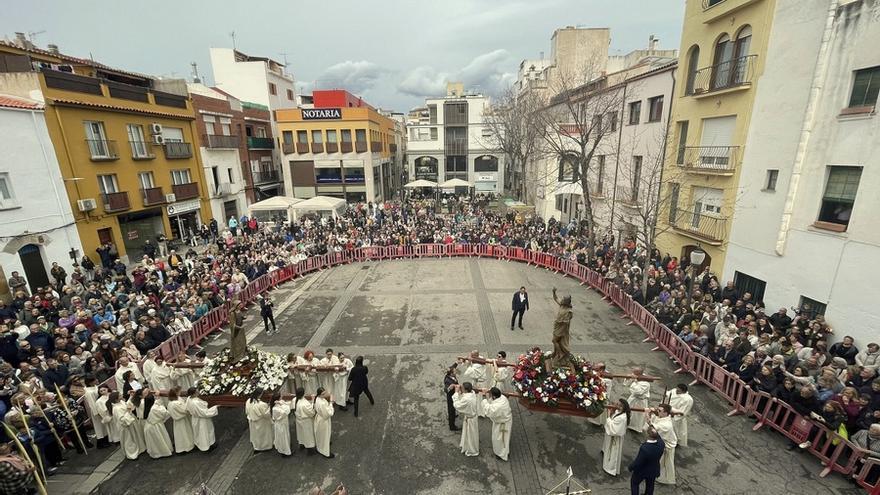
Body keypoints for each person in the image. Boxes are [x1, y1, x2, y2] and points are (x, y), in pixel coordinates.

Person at [644, 404, 677, 485]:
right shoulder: (663, 417)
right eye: (657, 409)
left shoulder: (666, 425)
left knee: (663, 464)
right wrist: (654, 413)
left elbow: (651, 430)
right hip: (660, 442)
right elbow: (656, 420)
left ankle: (662, 478)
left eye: (660, 410)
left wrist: (647, 415)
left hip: (666, 445)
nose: (657, 411)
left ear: (666, 413)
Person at [629, 428, 665, 495]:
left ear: (648, 435)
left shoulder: (645, 448)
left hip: (642, 471)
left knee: (634, 483)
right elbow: (658, 437)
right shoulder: (661, 443)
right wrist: (650, 424)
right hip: (653, 469)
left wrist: (631, 467)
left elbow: (638, 462)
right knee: (650, 485)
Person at [481, 387, 512, 461]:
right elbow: (493, 403)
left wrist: (484, 397)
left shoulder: (498, 406)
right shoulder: (502, 397)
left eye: (491, 395)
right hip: (506, 422)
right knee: (505, 439)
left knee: (499, 440)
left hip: (501, 424)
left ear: (494, 396)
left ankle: (500, 454)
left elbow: (488, 410)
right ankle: (505, 452)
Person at [603, 398, 631, 476]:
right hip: (612, 436)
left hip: (615, 437)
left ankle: (610, 469)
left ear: (623, 407)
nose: (616, 406)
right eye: (617, 404)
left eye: (618, 405)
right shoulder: (619, 412)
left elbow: (614, 429)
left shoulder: (622, 417)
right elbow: (615, 415)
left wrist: (609, 416)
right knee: (609, 451)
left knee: (612, 453)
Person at [143, 389, 173, 459]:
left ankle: (156, 453)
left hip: (149, 427)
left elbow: (156, 403)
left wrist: (157, 397)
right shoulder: (154, 408)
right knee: (160, 440)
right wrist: (159, 400)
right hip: (156, 427)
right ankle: (163, 452)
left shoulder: (147, 406)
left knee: (155, 442)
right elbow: (165, 413)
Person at [186, 387, 218, 452]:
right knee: (205, 433)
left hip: (195, 419)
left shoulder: (189, 399)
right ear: (193, 394)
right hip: (202, 420)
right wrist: (215, 407)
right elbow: (204, 413)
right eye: (197, 392)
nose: (199, 393)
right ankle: (207, 446)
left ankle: (200, 445)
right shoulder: (196, 402)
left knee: (198, 433)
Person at [111, 391, 141, 460]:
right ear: (116, 399)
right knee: (128, 440)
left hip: (130, 421)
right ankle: (131, 454)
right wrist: (128, 411)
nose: (122, 395)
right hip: (125, 426)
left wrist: (130, 397)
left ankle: (138, 448)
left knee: (134, 436)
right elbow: (122, 419)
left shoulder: (121, 402)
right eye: (120, 395)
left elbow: (126, 405)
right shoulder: (116, 409)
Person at [452, 382, 479, 457]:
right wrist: (461, 392)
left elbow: (457, 405)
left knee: (470, 436)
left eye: (463, 388)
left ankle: (472, 450)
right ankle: (466, 445)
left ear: (466, 390)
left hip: (470, 419)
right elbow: (465, 395)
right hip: (471, 417)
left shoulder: (467, 399)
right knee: (468, 434)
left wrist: (456, 393)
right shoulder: (472, 393)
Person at [83, 376, 110, 448]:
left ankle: (106, 439)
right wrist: (97, 412)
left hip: (100, 407)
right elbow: (92, 403)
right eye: (94, 380)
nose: (96, 380)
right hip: (96, 410)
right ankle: (100, 443)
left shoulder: (94, 386)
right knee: (99, 427)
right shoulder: (88, 392)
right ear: (90, 382)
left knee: (103, 426)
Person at [167, 387, 194, 454]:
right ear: (175, 393)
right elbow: (184, 410)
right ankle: (187, 447)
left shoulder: (171, 402)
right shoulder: (175, 403)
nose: (180, 392)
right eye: (179, 391)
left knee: (180, 434)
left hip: (178, 421)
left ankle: (182, 447)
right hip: (182, 420)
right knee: (185, 434)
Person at [245, 388, 273, 452]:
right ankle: (265, 447)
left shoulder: (248, 401)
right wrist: (269, 407)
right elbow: (266, 414)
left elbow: (247, 411)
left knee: (256, 435)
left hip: (252, 421)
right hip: (261, 422)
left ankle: (257, 447)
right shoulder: (261, 404)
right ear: (259, 395)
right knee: (263, 435)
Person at [293, 387, 317, 454]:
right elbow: (312, 413)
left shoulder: (295, 400)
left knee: (301, 434)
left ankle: (302, 445)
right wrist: (312, 402)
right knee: (308, 435)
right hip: (306, 421)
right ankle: (310, 450)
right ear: (303, 393)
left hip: (298, 420)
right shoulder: (304, 404)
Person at [313, 387, 335, 458]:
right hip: (323, 420)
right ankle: (325, 452)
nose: (325, 394)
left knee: (322, 435)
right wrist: (331, 403)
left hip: (320, 418)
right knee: (324, 435)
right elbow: (328, 414)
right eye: (323, 394)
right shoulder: (322, 403)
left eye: (325, 393)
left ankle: (323, 444)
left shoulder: (318, 399)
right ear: (319, 395)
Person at [444, 364, 460, 431]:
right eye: (454, 371)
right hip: (451, 396)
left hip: (454, 394)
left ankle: (453, 415)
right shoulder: (448, 381)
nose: (456, 372)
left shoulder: (450, 375)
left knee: (453, 409)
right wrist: (450, 388)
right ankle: (452, 426)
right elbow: (446, 389)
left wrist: (456, 363)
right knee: (451, 410)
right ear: (451, 373)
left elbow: (453, 367)